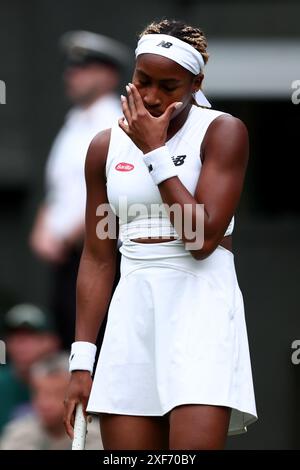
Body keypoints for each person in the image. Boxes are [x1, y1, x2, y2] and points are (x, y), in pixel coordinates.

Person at [63, 19, 257, 450]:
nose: (150, 97)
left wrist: (155, 152)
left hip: (200, 310)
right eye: (142, 81)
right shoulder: (102, 147)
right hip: (132, 312)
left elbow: (201, 239)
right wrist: (82, 363)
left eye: (168, 86)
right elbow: (98, 256)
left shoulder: (224, 132)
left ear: (195, 83)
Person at [30, 31, 131, 349]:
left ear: (108, 75)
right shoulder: (72, 122)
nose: (71, 75)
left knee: (95, 345)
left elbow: (110, 189)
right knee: (68, 343)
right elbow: (58, 189)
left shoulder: (116, 121)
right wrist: (42, 229)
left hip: (97, 253)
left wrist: (67, 235)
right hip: (64, 257)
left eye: (83, 68)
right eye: (71, 69)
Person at [0, 353, 102, 450]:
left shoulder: (97, 438)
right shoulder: (17, 436)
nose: (45, 403)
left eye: (57, 394)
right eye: (39, 393)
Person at [0, 303, 60, 435]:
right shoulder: (2, 383)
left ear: (52, 341)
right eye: (14, 337)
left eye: (31, 336)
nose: (21, 344)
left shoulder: (68, 382)